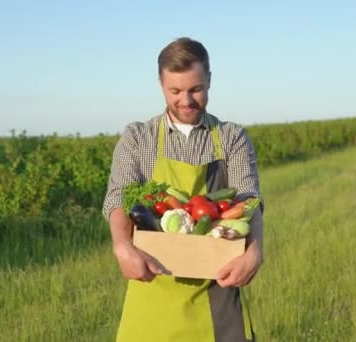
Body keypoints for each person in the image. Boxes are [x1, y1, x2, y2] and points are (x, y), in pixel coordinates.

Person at [102, 37, 265, 342]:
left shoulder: (231, 138)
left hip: (218, 291)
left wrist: (255, 251)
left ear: (210, 80)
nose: (186, 100)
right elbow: (119, 196)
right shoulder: (138, 137)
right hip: (153, 288)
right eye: (175, 91)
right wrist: (122, 246)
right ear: (160, 84)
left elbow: (249, 199)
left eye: (196, 89)